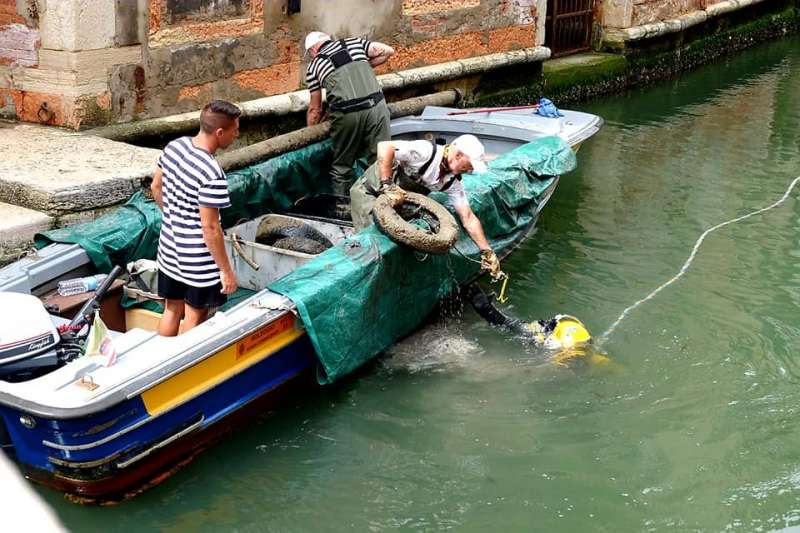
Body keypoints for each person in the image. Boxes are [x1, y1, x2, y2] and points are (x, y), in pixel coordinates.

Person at [350, 134, 503, 278]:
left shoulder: (451, 182)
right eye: (469, 165)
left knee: (400, 247)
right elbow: (385, 146)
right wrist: (387, 184)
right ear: (458, 155)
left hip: (397, 204)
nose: (470, 170)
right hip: (370, 193)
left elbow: (468, 218)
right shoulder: (425, 151)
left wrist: (487, 251)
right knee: (373, 247)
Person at [150, 100, 240, 336]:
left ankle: (162, 362)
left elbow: (156, 186)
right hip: (198, 261)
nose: (237, 135)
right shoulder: (212, 173)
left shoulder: (174, 147)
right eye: (235, 130)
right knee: (194, 314)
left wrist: (173, 216)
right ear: (220, 132)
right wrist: (226, 271)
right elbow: (210, 228)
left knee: (171, 309)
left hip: (168, 249)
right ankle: (177, 366)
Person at [304, 31, 395, 197]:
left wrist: (310, 134)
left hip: (347, 115)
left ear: (313, 50)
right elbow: (388, 51)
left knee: (342, 166)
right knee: (382, 159)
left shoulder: (314, 66)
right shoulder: (355, 43)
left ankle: (342, 206)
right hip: (377, 108)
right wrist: (366, 65)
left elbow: (314, 110)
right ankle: (385, 202)